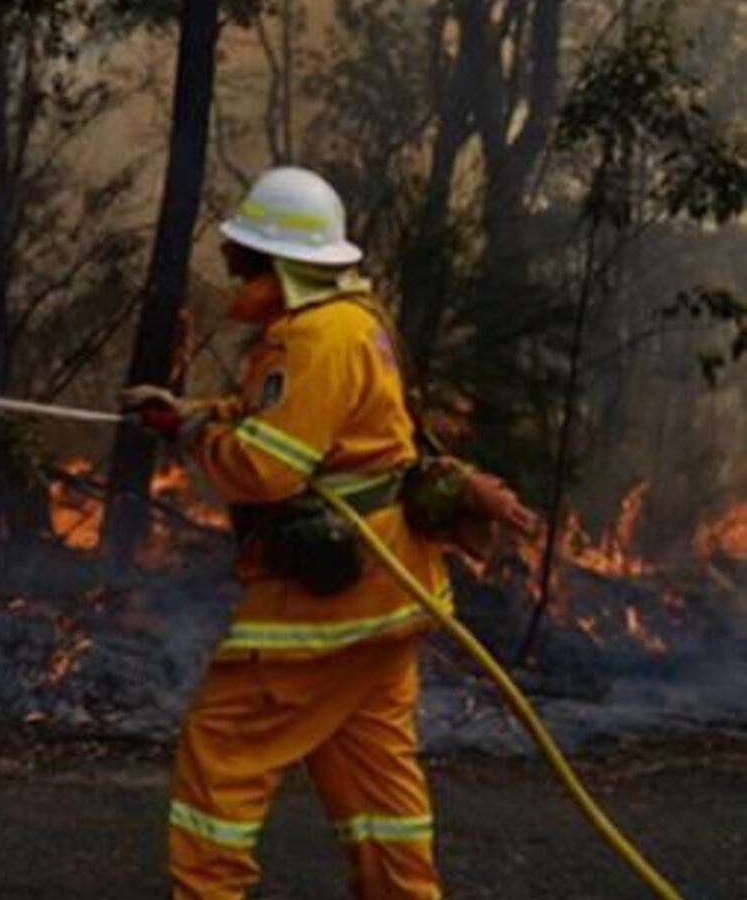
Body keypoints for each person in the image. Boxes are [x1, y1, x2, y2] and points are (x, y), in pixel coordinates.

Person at [124, 167, 535, 900]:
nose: (235, 274)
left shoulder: (311, 338)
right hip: (390, 597)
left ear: (279, 263)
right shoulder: (355, 320)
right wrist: (194, 411)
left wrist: (194, 437)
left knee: (223, 751)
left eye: (246, 261)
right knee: (373, 774)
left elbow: (267, 469)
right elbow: (297, 417)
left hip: (327, 608)